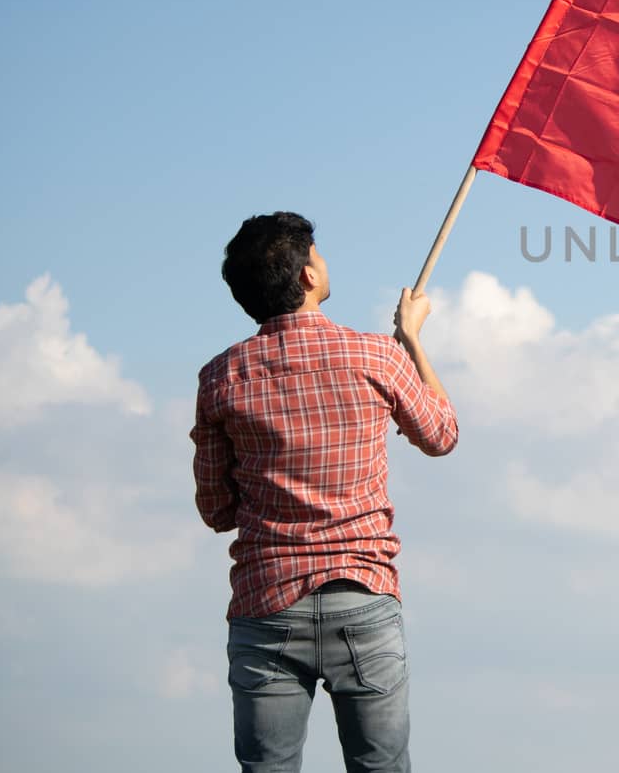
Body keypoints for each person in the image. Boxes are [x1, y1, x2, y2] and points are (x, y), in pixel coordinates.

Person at [192, 212, 458, 773]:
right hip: (362, 595)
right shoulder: (376, 357)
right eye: (319, 254)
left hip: (266, 606)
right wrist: (411, 338)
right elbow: (440, 435)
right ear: (309, 277)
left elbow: (215, 510)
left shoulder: (219, 378)